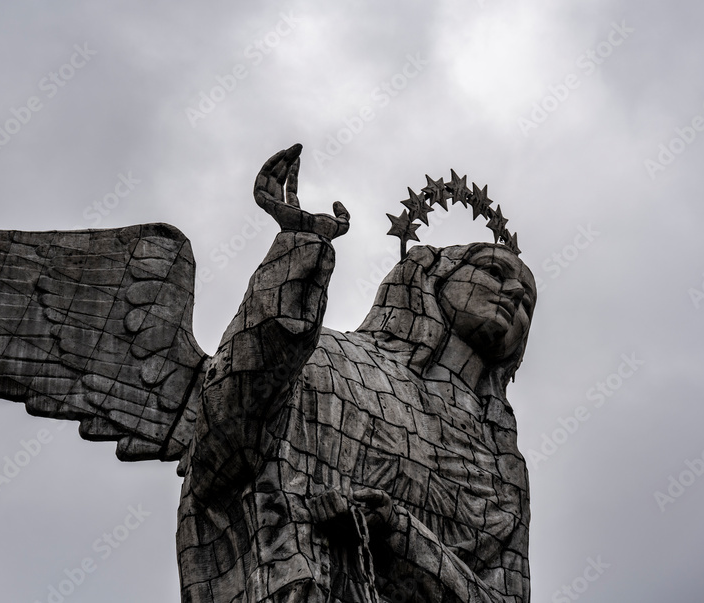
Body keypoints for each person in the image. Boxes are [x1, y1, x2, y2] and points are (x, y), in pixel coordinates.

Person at [178, 145, 537, 602]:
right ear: (430, 277)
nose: (513, 295)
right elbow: (226, 440)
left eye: (528, 300)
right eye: (492, 270)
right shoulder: (328, 358)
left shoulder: (505, 468)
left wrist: (401, 535)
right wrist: (300, 251)